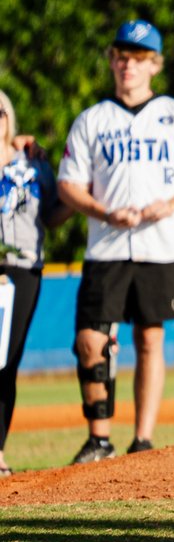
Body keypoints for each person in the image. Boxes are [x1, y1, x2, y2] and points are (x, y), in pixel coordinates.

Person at [57, 20, 174, 463]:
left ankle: (142, 440)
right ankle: (99, 439)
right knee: (91, 340)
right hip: (107, 244)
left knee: (149, 339)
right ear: (112, 61)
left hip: (160, 244)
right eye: (122, 57)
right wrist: (103, 211)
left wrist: (172, 204)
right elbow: (68, 184)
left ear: (154, 66)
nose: (129, 65)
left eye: (139, 59)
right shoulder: (93, 119)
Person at [2, 90, 66, 476]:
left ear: (9, 116)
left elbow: (53, 213)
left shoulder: (33, 162)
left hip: (22, 268)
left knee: (5, 362)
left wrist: (82, 197)